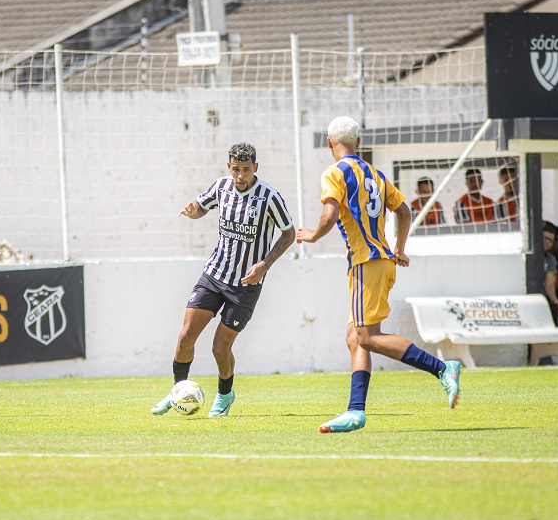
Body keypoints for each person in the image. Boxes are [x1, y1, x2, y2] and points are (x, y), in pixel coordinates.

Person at [296, 116, 461, 433]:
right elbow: (404, 210)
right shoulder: (377, 174)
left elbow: (329, 215)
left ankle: (443, 368)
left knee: (366, 337)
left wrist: (313, 235)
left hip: (366, 262)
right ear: (358, 143)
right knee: (354, 338)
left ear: (330, 143)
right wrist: (399, 248)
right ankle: (355, 411)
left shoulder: (334, 173)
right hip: (382, 261)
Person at [151, 142, 295, 418]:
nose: (241, 176)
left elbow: (288, 233)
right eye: (236, 170)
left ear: (256, 168)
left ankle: (225, 394)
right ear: (229, 168)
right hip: (214, 275)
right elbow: (202, 207)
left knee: (220, 348)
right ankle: (177, 392)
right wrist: (194, 210)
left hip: (245, 285)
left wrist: (264, 265)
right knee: (185, 337)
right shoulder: (221, 186)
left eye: (246, 170)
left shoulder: (269, 197)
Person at [542, 222, 558, 325]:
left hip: (543, 294)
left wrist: (554, 299)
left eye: (550, 240)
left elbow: (549, 282)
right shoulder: (529, 255)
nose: (547, 242)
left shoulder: (550, 259)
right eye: (544, 238)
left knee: (554, 307)